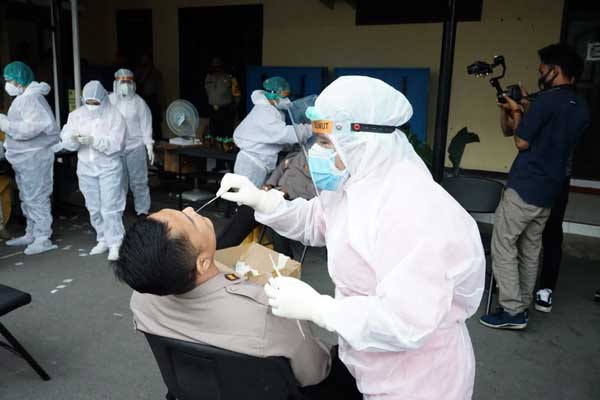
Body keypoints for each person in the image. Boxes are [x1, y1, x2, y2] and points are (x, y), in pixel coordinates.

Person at [218, 76, 486, 399]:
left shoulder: (414, 209)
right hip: (363, 355)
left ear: (363, 140)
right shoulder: (355, 181)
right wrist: (262, 201)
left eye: (327, 142)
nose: (317, 152)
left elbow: (405, 322)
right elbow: (316, 220)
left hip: (416, 379)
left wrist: (320, 309)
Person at [112, 207, 332, 388]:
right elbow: (316, 372)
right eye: (191, 220)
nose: (191, 208)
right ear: (202, 263)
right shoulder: (268, 311)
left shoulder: (142, 300)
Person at [480, 44, 589, 328]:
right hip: (551, 189)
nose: (540, 74)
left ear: (556, 70)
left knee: (503, 244)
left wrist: (518, 111)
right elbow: (546, 133)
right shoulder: (581, 107)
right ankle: (523, 305)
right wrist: (521, 108)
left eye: (543, 70)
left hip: (526, 186)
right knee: (530, 248)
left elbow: (520, 141)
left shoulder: (547, 103)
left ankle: (512, 311)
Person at [61, 81, 127, 261]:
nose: (91, 107)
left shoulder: (115, 116)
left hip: (109, 167)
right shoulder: (76, 115)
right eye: (88, 102)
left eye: (95, 103)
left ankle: (116, 242)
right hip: (86, 167)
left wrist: (93, 140)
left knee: (110, 207)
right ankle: (103, 238)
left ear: (103, 99)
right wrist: (73, 139)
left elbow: (116, 144)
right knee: (94, 207)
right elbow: (66, 138)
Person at [0, 61, 59, 255]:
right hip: (25, 157)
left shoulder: (30, 99)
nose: (7, 84)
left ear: (19, 80)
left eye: (9, 80)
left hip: (34, 157)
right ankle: (31, 232)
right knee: (27, 197)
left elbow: (32, 128)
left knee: (36, 197)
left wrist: (5, 124)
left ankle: (43, 237)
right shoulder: (24, 97)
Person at [217, 151, 316, 257]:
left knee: (276, 218)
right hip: (276, 192)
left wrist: (289, 193)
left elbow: (317, 191)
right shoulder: (298, 154)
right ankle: (218, 251)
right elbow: (279, 170)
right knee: (247, 208)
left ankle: (284, 259)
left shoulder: (326, 166)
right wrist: (269, 184)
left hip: (297, 200)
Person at [233, 76, 308, 187]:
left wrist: (289, 146)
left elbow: (272, 137)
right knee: (250, 201)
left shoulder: (272, 110)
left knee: (258, 199)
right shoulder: (265, 111)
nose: (288, 100)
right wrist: (311, 129)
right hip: (251, 167)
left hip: (259, 164)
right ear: (273, 94)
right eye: (285, 96)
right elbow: (283, 134)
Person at [109, 68, 154, 218]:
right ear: (116, 83)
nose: (126, 85)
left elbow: (146, 125)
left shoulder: (139, 103)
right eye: (123, 82)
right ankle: (119, 209)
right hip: (116, 147)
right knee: (118, 181)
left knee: (139, 180)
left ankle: (142, 210)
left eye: (128, 82)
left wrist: (149, 145)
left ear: (133, 83)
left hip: (135, 146)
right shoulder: (110, 101)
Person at [205, 56, 240, 167]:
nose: (216, 69)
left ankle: (229, 164)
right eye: (214, 67)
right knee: (216, 136)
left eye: (218, 67)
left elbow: (237, 95)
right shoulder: (208, 78)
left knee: (227, 137)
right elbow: (208, 93)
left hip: (226, 110)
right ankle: (219, 164)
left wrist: (233, 107)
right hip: (213, 110)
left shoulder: (230, 78)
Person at [136, 53, 163, 143]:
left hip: (153, 99)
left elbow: (160, 88)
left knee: (155, 121)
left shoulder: (156, 73)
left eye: (146, 59)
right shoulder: (139, 72)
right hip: (143, 98)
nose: (144, 61)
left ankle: (158, 141)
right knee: (144, 120)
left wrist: (161, 101)